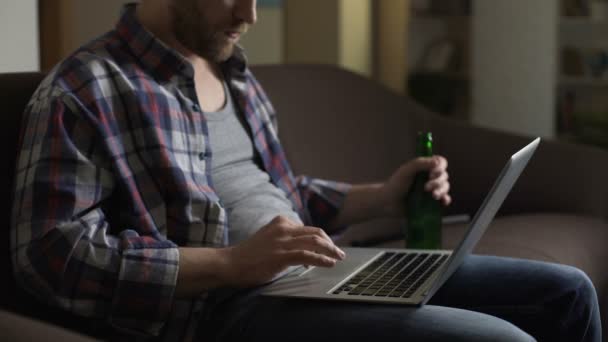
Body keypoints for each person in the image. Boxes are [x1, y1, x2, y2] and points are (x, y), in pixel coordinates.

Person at [10, 1, 601, 341]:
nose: (252, 13)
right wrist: (232, 264)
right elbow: (49, 254)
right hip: (229, 305)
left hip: (326, 270)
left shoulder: (233, 72)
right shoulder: (82, 90)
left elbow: (285, 195)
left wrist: (383, 197)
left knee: (567, 294)